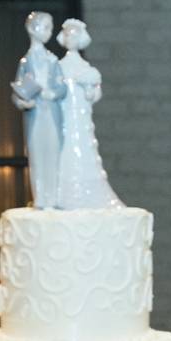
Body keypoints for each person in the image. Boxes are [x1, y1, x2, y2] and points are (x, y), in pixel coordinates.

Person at [55, 19, 123, 209]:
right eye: (68, 34)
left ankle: (88, 191)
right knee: (65, 149)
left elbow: (96, 94)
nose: (71, 38)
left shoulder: (86, 68)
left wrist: (89, 90)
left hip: (81, 117)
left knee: (83, 146)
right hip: (64, 118)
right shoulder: (58, 66)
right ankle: (63, 193)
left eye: (75, 34)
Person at [12, 11, 66, 209]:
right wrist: (23, 102)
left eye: (50, 28)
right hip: (36, 117)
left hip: (51, 115)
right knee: (36, 155)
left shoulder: (52, 61)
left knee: (53, 153)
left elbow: (62, 87)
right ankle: (40, 197)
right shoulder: (26, 63)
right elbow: (17, 92)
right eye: (46, 27)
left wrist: (53, 93)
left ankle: (53, 197)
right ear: (32, 29)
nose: (49, 32)